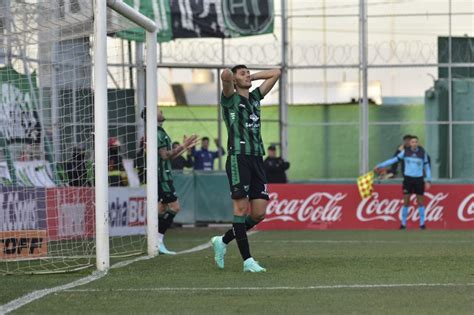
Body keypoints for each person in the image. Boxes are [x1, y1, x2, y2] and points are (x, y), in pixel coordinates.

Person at [211, 65, 281, 273]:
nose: (248, 75)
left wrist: (252, 77)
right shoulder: (230, 99)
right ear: (234, 80)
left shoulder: (254, 97)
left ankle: (222, 240)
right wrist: (229, 75)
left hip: (257, 160)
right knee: (240, 210)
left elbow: (276, 72)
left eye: (248, 73)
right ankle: (247, 261)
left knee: (259, 214)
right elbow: (224, 77)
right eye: (243, 73)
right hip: (238, 159)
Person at [156, 110, 198, 254]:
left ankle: (154, 239)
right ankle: (158, 240)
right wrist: (183, 145)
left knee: (161, 209)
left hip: (164, 176)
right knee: (175, 207)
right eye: (158, 110)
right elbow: (165, 155)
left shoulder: (160, 132)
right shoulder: (156, 133)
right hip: (162, 177)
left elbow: (169, 157)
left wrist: (185, 147)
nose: (161, 111)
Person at [374, 135, 432, 230]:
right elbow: (393, 160)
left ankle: (422, 224)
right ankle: (403, 224)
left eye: (416, 142)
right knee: (406, 202)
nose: (414, 143)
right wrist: (380, 165)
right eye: (412, 142)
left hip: (419, 179)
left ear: (418, 143)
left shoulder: (422, 153)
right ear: (410, 143)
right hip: (408, 179)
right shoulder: (405, 152)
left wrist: (428, 180)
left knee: (420, 202)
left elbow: (427, 167)